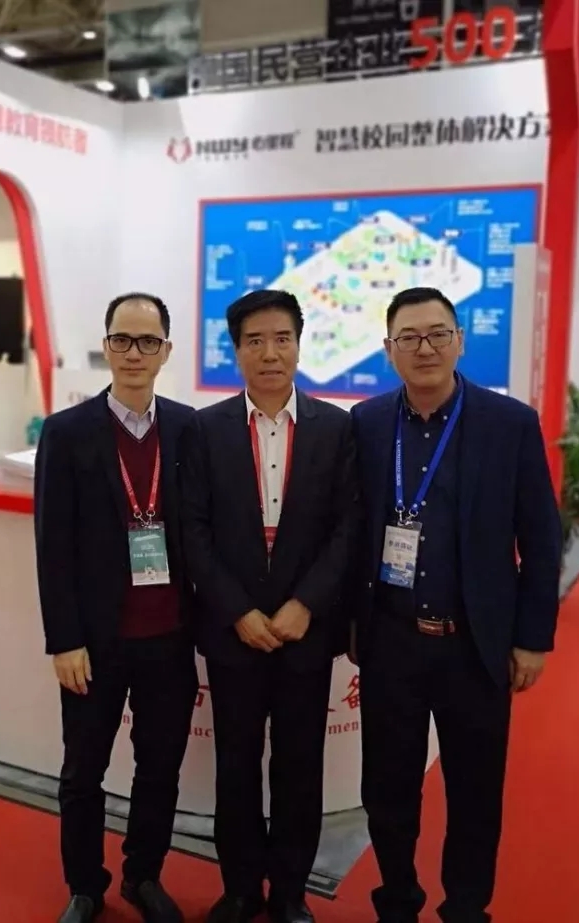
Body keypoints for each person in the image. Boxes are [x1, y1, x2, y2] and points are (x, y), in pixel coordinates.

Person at [349, 287, 562, 923]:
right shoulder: (366, 424)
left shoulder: (509, 423)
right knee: (387, 788)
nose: (425, 348)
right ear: (388, 350)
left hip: (474, 644)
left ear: (460, 341)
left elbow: (541, 537)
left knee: (474, 792)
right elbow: (351, 530)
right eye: (409, 337)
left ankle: (467, 908)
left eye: (437, 333)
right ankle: (397, 899)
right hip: (391, 642)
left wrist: (532, 637)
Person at [179, 289, 358, 923]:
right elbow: (192, 530)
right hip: (235, 632)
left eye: (282, 338)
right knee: (235, 765)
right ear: (236, 351)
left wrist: (306, 603)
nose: (270, 353)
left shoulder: (336, 428)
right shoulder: (205, 430)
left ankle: (289, 892)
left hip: (305, 631)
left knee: (299, 766)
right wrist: (237, 610)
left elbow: (349, 527)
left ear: (300, 344)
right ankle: (238, 888)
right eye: (254, 341)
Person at [34, 292, 199, 923]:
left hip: (169, 636)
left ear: (166, 351)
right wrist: (63, 640)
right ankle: (84, 885)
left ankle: (143, 875)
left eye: (148, 341)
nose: (135, 353)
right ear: (106, 346)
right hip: (95, 642)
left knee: (160, 767)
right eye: (123, 340)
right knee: (84, 770)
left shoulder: (188, 429)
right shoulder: (66, 432)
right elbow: (53, 546)